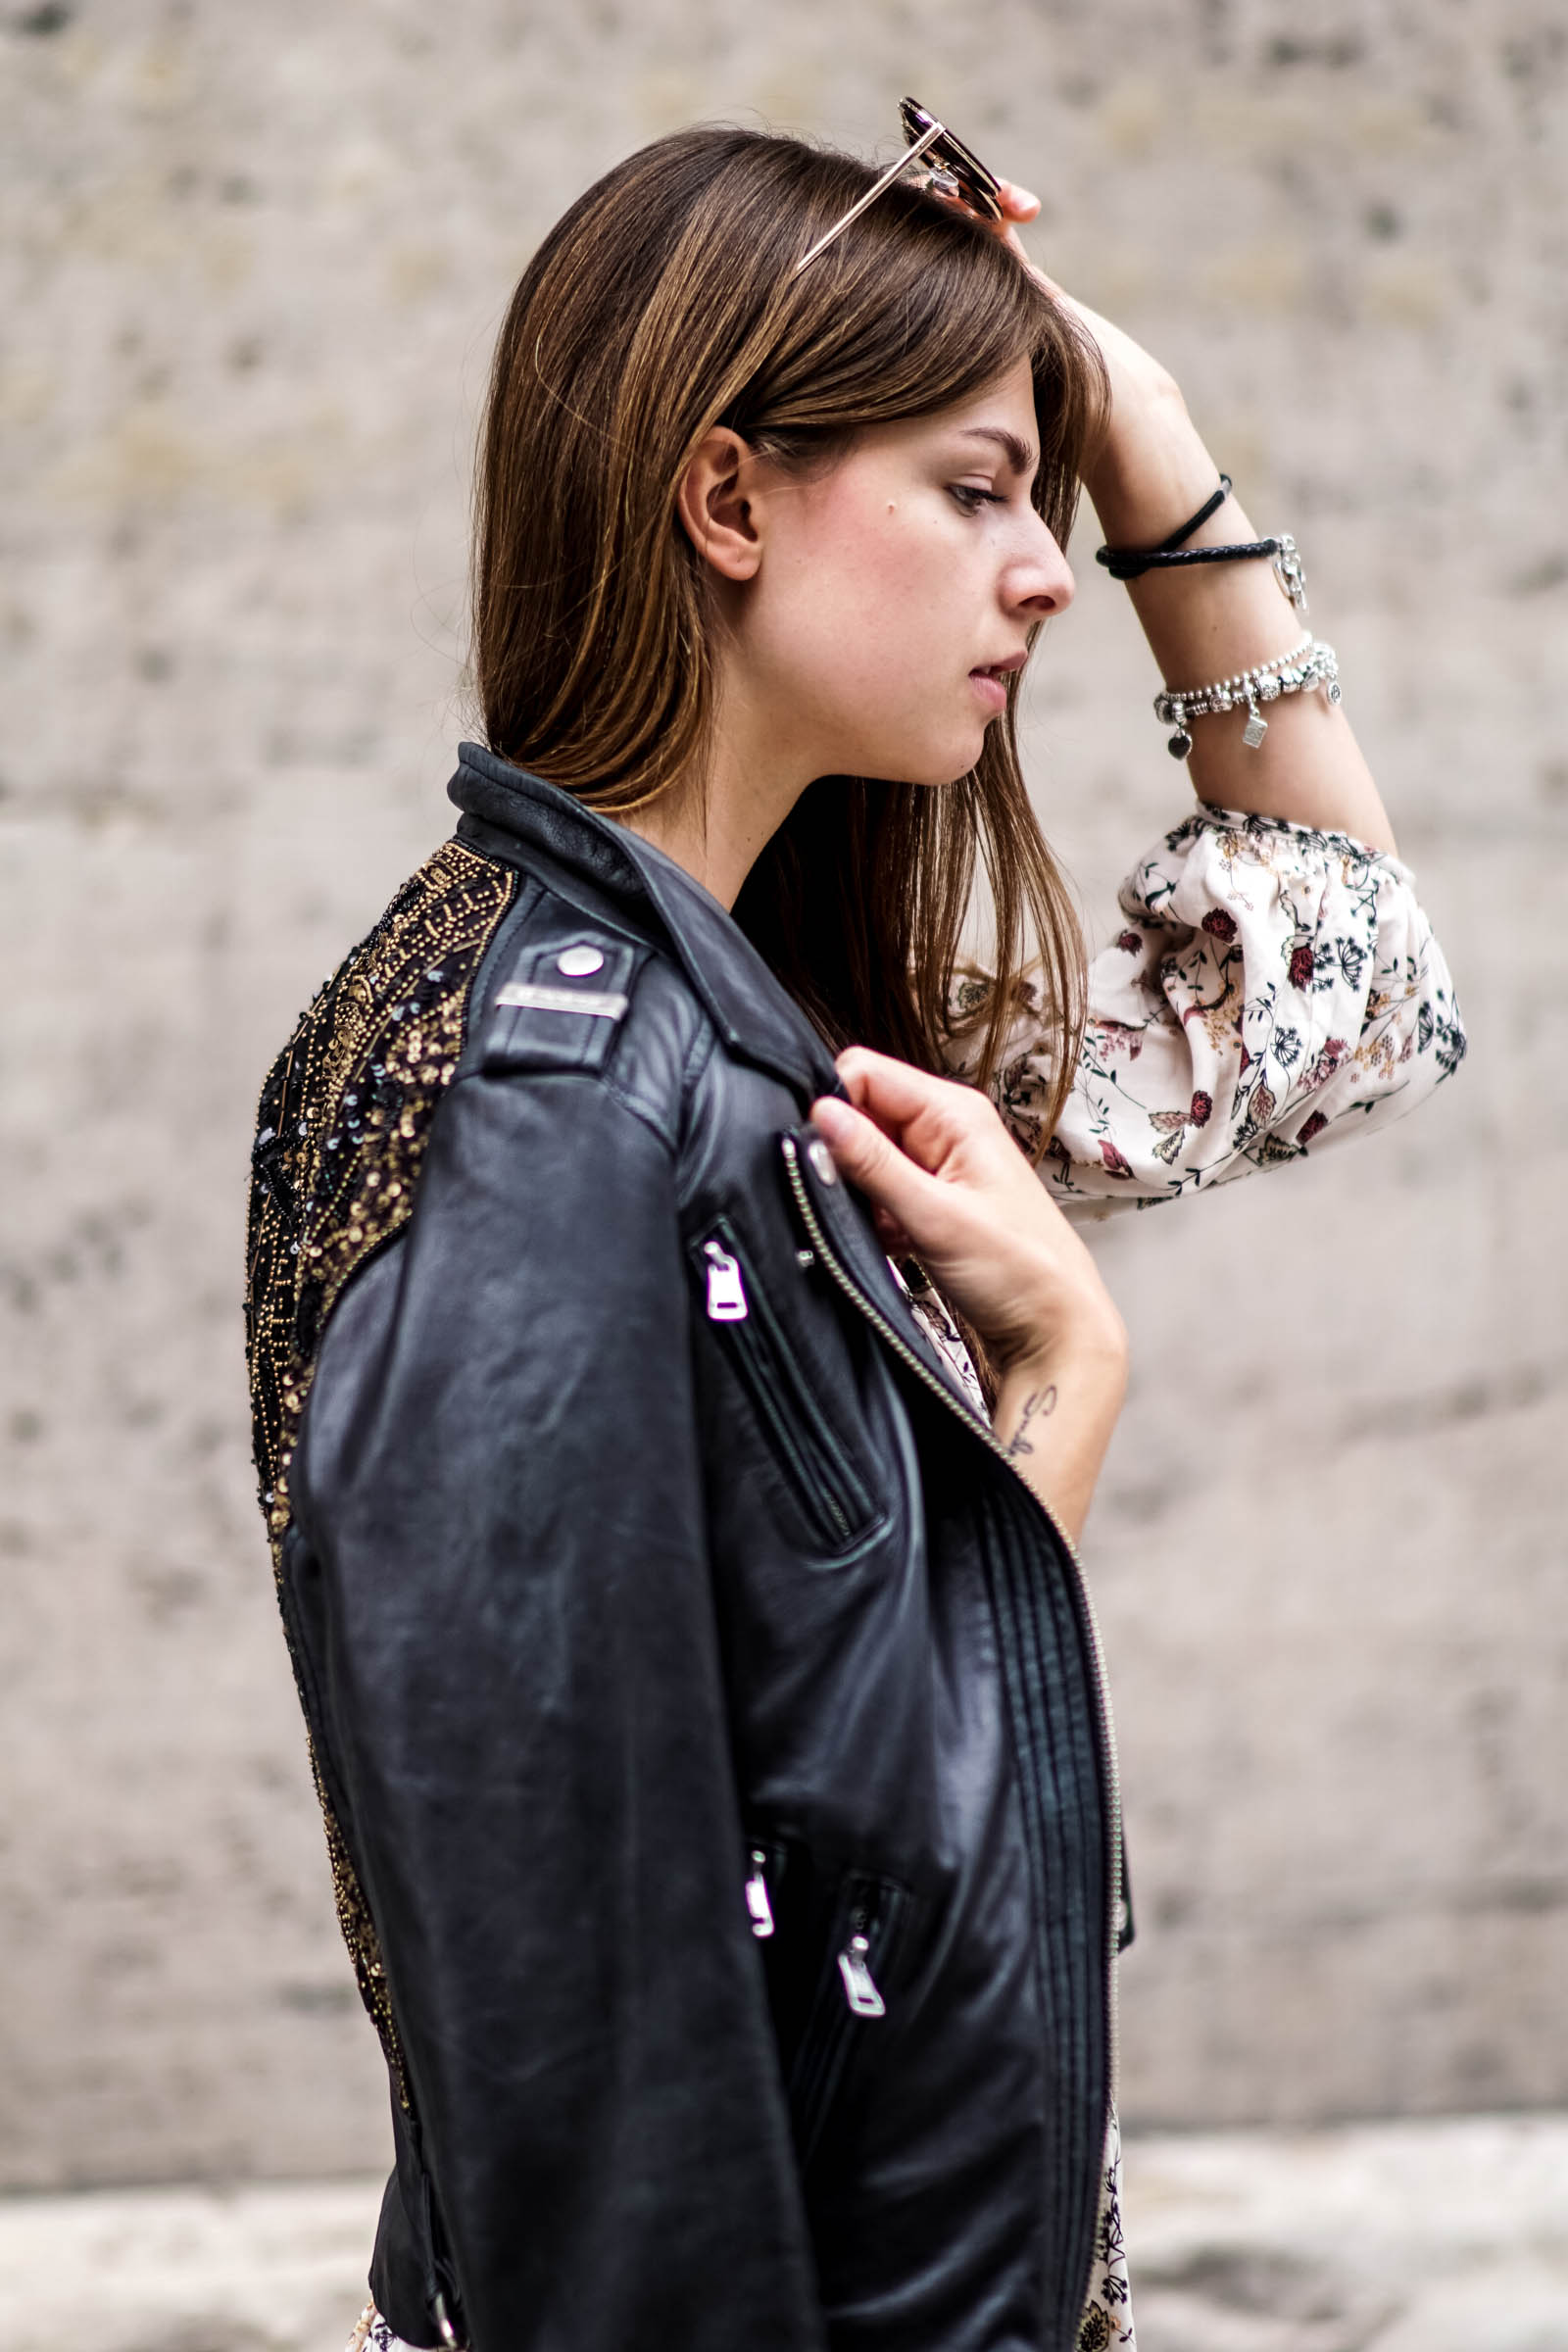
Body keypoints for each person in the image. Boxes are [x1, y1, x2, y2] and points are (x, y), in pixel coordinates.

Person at [244, 113, 1463, 2352]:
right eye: (977, 491)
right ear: (723, 501)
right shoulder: (550, 1093)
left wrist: (1147, 453)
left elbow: (1355, 996)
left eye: (1042, 501)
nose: (1041, 574)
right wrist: (1055, 1415)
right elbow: (620, 1996)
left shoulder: (777, 1014)